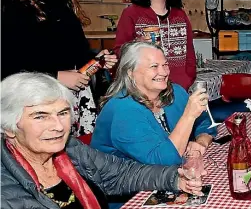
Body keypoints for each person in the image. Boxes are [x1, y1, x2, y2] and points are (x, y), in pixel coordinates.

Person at [1, 72, 204, 209]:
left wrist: (176, 178)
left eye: (62, 113)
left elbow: (122, 173)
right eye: (40, 116)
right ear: (9, 127)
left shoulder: (72, 150)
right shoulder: (6, 186)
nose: (58, 126)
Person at [1, 0, 117, 136]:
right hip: (32, 101)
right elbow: (8, 61)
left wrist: (94, 59)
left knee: (74, 156)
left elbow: (72, 47)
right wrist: (54, 76)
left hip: (70, 96)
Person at [91, 41, 216, 167]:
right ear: (130, 72)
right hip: (126, 182)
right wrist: (188, 115)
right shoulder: (123, 109)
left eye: (165, 65)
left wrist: (200, 142)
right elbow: (162, 162)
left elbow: (205, 123)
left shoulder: (176, 92)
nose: (164, 72)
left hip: (163, 177)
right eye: (154, 66)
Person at [115, 0, 196, 91]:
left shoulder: (180, 15)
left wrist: (188, 77)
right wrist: (137, 45)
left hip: (179, 87)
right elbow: (119, 50)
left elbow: (190, 52)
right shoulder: (131, 13)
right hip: (145, 88)